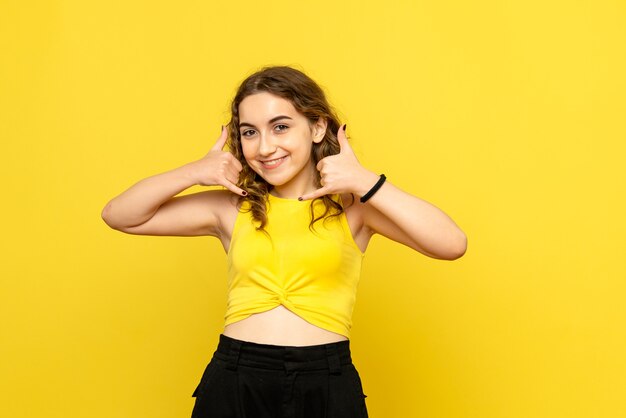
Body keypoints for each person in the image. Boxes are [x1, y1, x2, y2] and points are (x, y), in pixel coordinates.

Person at [101, 65, 467, 418]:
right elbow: (120, 214)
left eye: (280, 127)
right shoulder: (232, 207)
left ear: (318, 127)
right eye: (249, 132)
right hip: (236, 376)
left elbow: (451, 243)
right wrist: (194, 172)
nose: (264, 147)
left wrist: (364, 180)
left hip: (325, 380)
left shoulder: (354, 210)